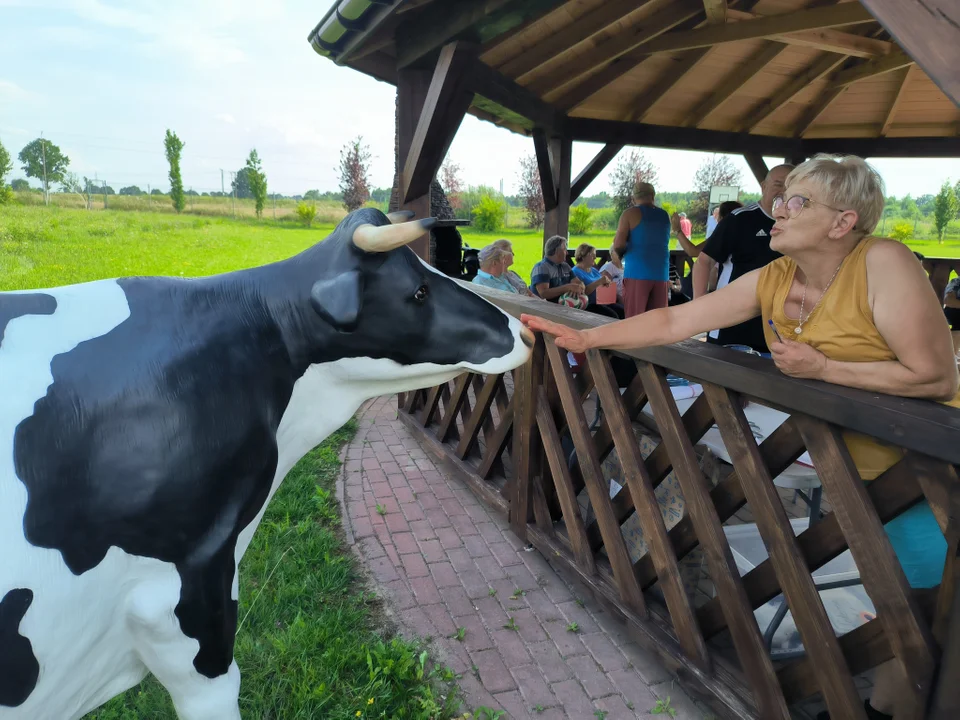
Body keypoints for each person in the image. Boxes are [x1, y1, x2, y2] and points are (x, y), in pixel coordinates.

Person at [520, 154, 960, 720]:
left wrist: (824, 371)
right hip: (856, 474)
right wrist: (589, 341)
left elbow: (934, 375)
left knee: (927, 615)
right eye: (779, 197)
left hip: (927, 475)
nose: (776, 210)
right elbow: (677, 321)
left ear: (842, 222)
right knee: (899, 606)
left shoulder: (883, 261)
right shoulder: (776, 276)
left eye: (797, 201)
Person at [692, 164, 794, 353]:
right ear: (763, 186)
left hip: (779, 330)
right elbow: (704, 261)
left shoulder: (800, 225)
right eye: (778, 185)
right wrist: (699, 308)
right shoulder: (739, 219)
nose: (784, 192)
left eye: (791, 186)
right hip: (731, 327)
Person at [613, 181, 671, 318]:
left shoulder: (629, 214)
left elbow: (618, 245)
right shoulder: (665, 215)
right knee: (657, 320)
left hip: (637, 273)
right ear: (653, 195)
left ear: (633, 198)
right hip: (661, 274)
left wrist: (620, 255)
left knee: (635, 319)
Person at [671, 201, 743, 303]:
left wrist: (677, 230)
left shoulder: (725, 235)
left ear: (722, 218)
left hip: (723, 289)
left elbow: (693, 251)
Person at [571, 243, 623, 318]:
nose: (595, 257)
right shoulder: (575, 272)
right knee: (613, 316)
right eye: (592, 255)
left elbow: (602, 284)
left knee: (622, 311)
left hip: (603, 301)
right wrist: (599, 282)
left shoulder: (593, 270)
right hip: (589, 305)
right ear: (583, 256)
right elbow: (582, 292)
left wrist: (606, 283)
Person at [530, 235, 585, 302]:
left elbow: (578, 283)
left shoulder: (565, 266)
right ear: (557, 251)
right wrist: (568, 288)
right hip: (543, 308)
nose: (567, 253)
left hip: (562, 307)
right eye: (564, 249)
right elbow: (544, 293)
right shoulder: (541, 267)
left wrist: (580, 286)